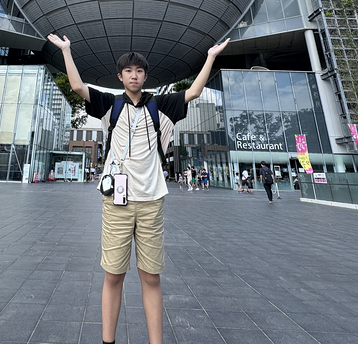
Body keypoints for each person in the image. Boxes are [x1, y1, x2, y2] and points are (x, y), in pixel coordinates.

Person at [47, 33, 229, 344]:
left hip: (151, 200)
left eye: (139, 71)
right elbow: (78, 87)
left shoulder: (163, 105)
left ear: (145, 76)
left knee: (150, 276)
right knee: (113, 274)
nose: (134, 75)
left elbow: (196, 90)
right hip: (117, 201)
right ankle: (108, 340)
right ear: (120, 77)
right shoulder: (110, 105)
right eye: (128, 71)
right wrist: (66, 51)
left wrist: (211, 56)